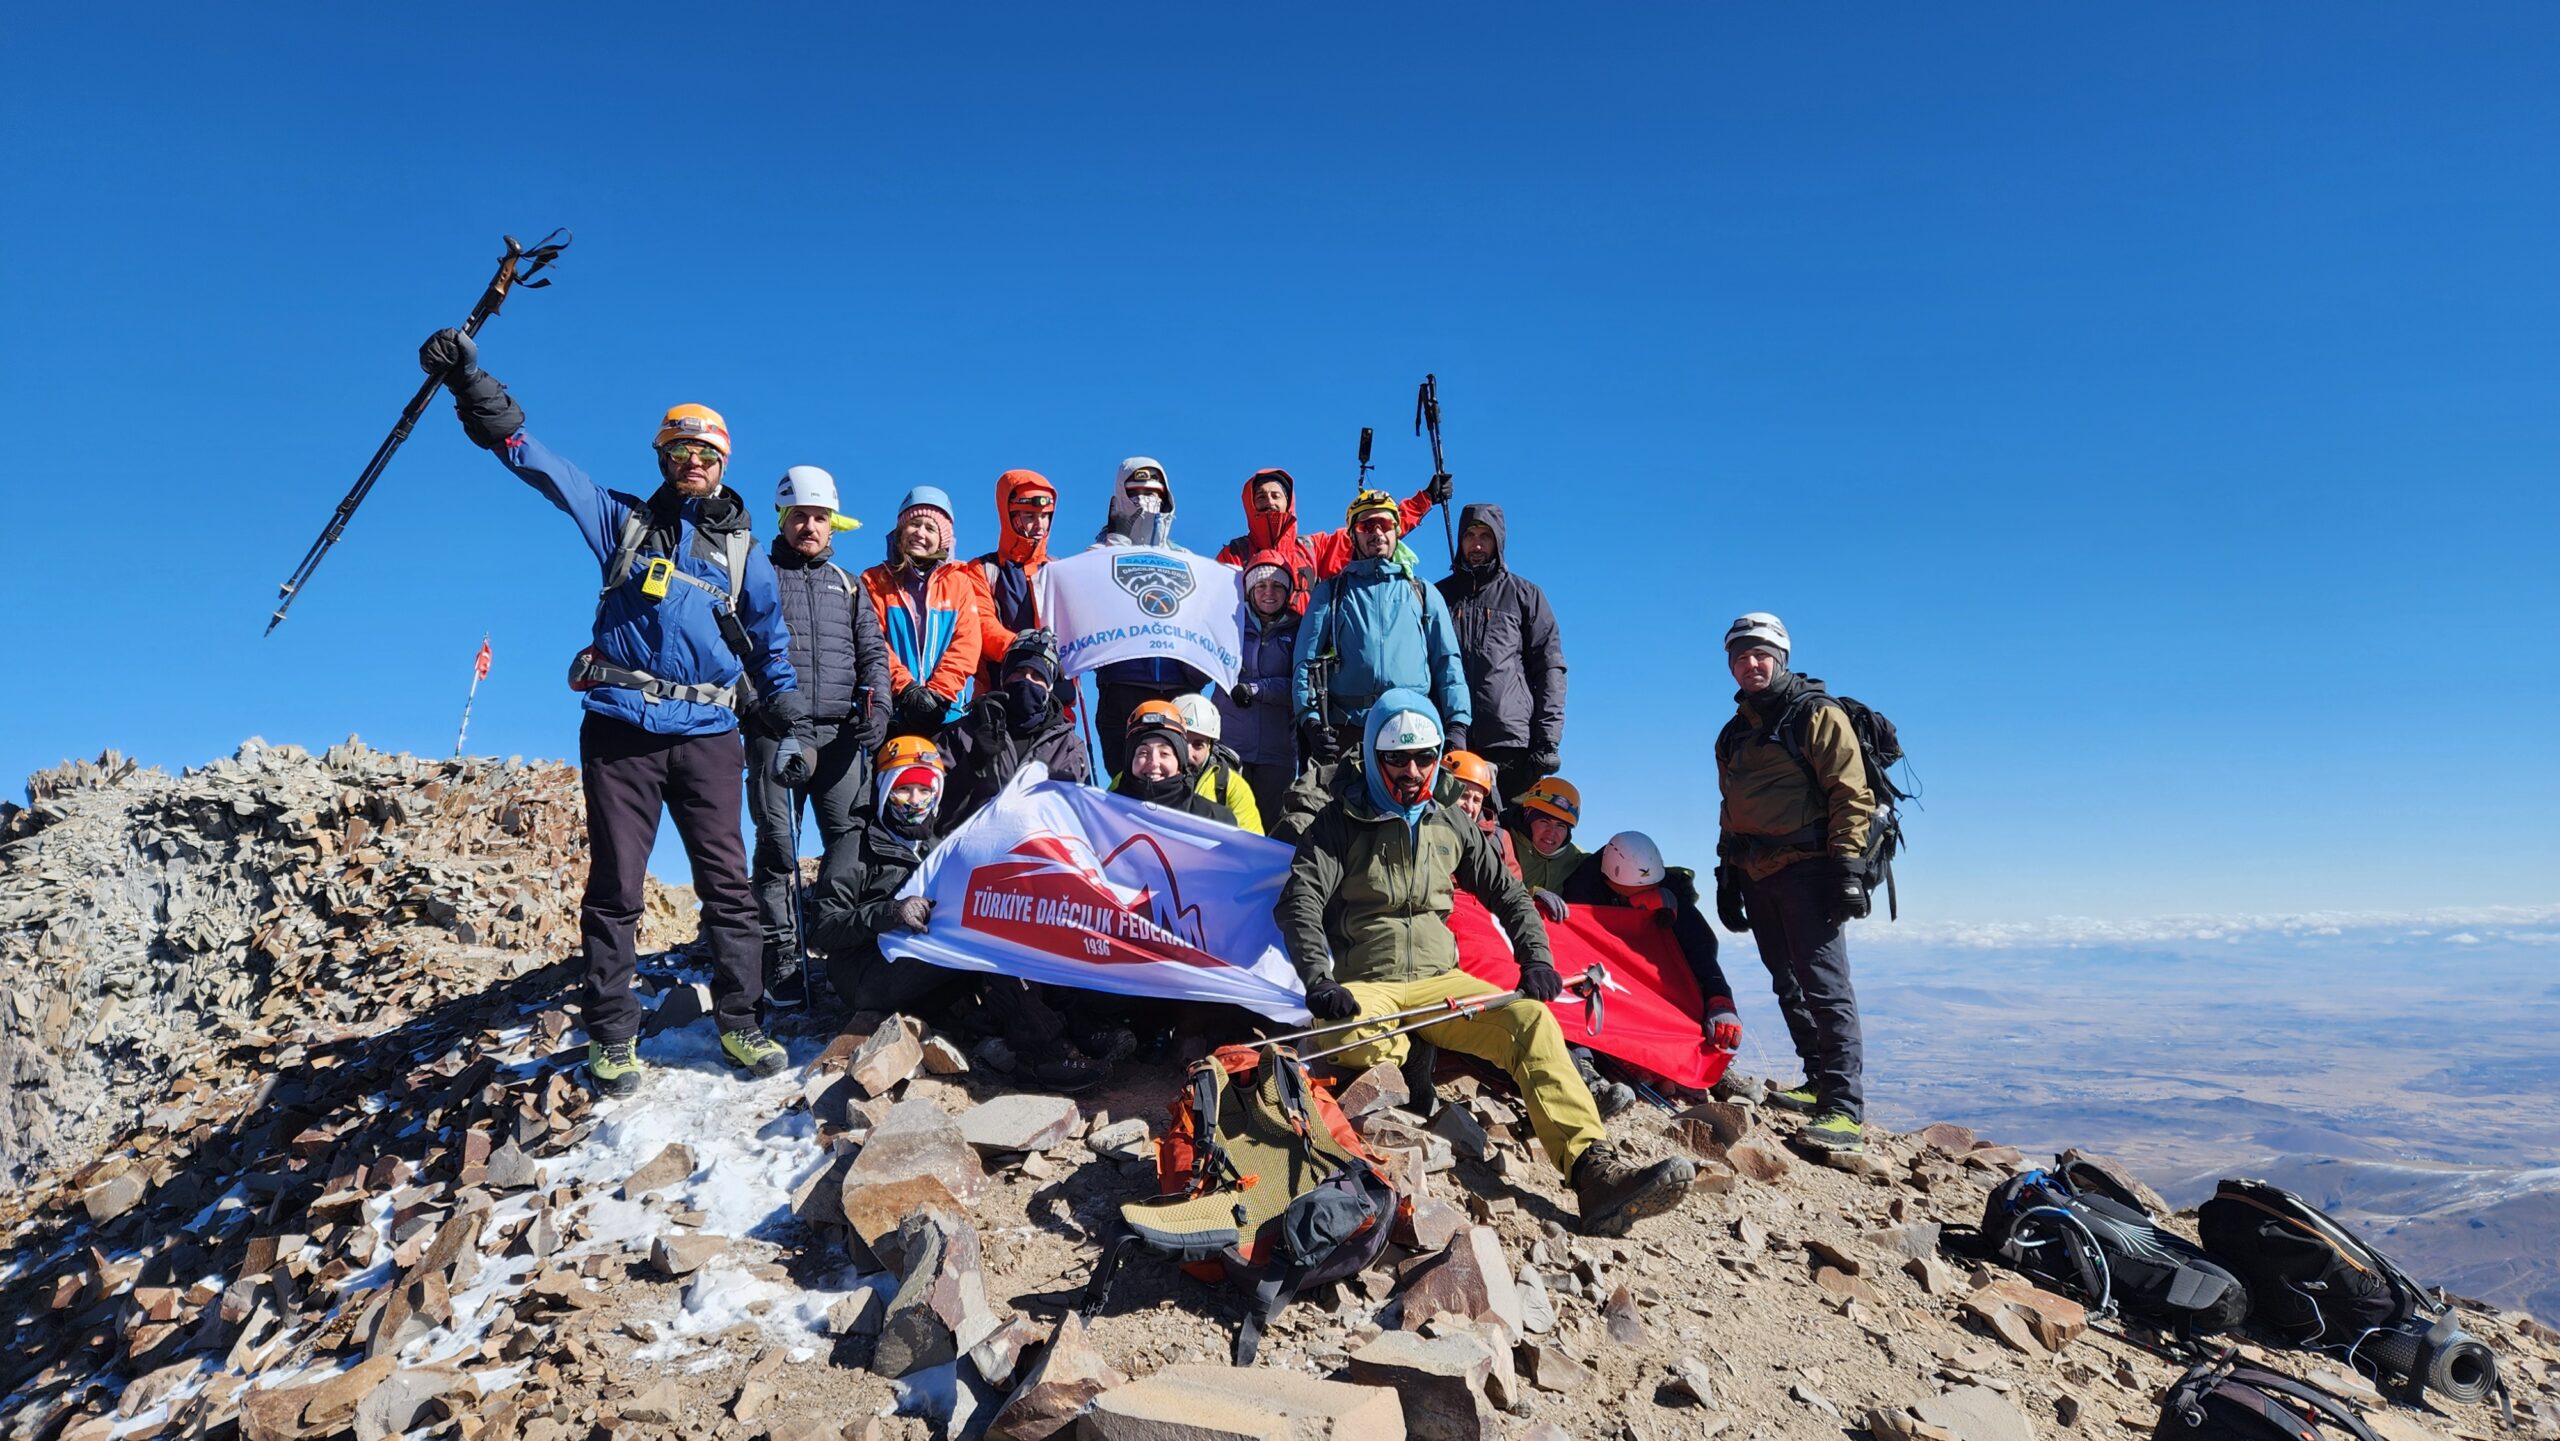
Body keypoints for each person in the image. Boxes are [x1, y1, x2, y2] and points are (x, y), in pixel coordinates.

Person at [417, 329, 797, 1095]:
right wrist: (471, 385)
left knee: (726, 883)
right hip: (623, 729)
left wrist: (784, 705)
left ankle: (743, 1024)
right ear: (662, 457)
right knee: (619, 882)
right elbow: (534, 459)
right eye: (681, 451)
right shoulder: (620, 519)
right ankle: (613, 1036)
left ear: (725, 464)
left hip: (712, 735)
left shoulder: (746, 553)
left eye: (708, 454)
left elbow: (770, 638)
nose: (694, 463)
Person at [1274, 689, 1694, 1237]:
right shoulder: (1339, 822)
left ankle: (1595, 1174)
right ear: (1375, 758)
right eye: (1396, 758)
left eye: (1424, 756)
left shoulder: (1450, 822)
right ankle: (1413, 1053)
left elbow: (1511, 894)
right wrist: (1319, 978)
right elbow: (1300, 898)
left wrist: (1535, 957)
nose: (1412, 770)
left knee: (1531, 1022)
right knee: (1347, 1027)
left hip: (1440, 981)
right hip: (1366, 983)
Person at [807, 737, 1108, 1092]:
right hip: (867, 973)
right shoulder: (854, 846)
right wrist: (890, 912)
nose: (915, 801)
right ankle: (1041, 1054)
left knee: (1009, 924)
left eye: (924, 790)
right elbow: (823, 929)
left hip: (920, 960)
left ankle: (1076, 1026)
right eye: (904, 790)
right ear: (885, 790)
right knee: (984, 942)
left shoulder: (938, 845)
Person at [1713, 612, 1878, 1153]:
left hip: (1810, 869)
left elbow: (1851, 794)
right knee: (1787, 981)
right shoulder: (1733, 733)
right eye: (1740, 656)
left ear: (1780, 658)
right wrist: (1727, 875)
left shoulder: (1816, 715)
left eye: (1760, 654)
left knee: (1825, 986)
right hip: (1758, 873)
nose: (1750, 664)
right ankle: (1816, 1082)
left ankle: (1844, 1109)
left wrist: (1847, 869)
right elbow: (1729, 808)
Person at [748, 466, 892, 1010]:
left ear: (833, 524)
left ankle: (843, 947)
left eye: (819, 517)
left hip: (839, 737)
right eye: (799, 516)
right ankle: (781, 954)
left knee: (849, 841)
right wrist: (759, 706)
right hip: (775, 732)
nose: (809, 526)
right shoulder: (757, 576)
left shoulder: (849, 586)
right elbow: (735, 650)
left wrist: (878, 710)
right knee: (777, 847)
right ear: (783, 519)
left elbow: (873, 656)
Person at [1554, 831, 1746, 1109]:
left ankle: (1712, 1070)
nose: (1644, 894)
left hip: (1649, 972)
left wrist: (1719, 997)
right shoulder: (1584, 886)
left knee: (1682, 997)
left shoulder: (1666, 886)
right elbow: (1577, 944)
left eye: (1648, 889)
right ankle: (1604, 1067)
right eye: (1633, 892)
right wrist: (1624, 912)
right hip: (1605, 975)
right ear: (1611, 881)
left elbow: (1700, 943)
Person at [1292, 489, 1472, 764]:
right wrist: (1311, 721)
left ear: (1396, 531)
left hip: (1412, 728)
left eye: (1385, 524)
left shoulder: (1423, 593)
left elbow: (1447, 661)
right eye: (1366, 525)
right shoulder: (1330, 592)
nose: (1377, 532)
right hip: (1348, 730)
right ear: (1353, 535)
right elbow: (1306, 661)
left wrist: (1457, 724)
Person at [1089, 458, 1212, 776]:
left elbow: (1204, 620)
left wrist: (1198, 671)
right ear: (1120, 496)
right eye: (1137, 492)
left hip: (1177, 687)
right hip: (1121, 684)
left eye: (1155, 493)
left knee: (1176, 784)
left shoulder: (1185, 560)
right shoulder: (1097, 557)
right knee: (1126, 780)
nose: (1146, 501)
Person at [1436, 503, 1566, 800]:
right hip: (1452, 742)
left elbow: (1550, 670)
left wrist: (1547, 740)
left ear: (1499, 541)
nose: (1477, 544)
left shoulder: (1525, 595)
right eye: (1469, 535)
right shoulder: (1439, 596)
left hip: (1511, 747)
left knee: (1507, 839)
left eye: (1486, 535)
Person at [1213, 466, 1451, 607]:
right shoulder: (1234, 554)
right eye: (1261, 497)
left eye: (1276, 495)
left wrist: (1426, 498)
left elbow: (1373, 529)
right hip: (1248, 662)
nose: (1269, 502)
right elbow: (1211, 601)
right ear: (1250, 503)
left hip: (1301, 658)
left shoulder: (1312, 549)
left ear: (1288, 502)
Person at [861, 487, 984, 739]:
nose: (920, 533)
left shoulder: (959, 583)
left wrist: (938, 693)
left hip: (946, 714)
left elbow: (966, 644)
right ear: (900, 531)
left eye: (930, 528)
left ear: (943, 539)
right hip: (892, 712)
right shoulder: (875, 580)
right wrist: (906, 690)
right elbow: (872, 642)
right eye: (914, 524)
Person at [941, 628, 1090, 828]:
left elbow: (1080, 821)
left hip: (1037, 853)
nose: (1027, 680)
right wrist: (971, 765)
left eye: (1037, 675)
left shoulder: (1069, 747)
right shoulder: (964, 732)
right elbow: (934, 814)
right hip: (973, 852)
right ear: (1004, 678)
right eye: (1020, 672)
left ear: (1049, 687)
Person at [1215, 549, 1302, 818]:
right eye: (1261, 585)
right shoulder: (1228, 626)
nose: (1269, 592)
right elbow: (1201, 666)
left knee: (1271, 832)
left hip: (1277, 754)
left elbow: (1300, 684)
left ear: (1288, 592)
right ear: (1249, 589)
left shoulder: (1299, 629)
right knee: (1225, 828)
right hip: (1229, 747)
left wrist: (1257, 689)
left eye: (1277, 585)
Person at [968, 469, 1057, 688]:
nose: (1039, 525)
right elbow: (980, 622)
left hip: (1055, 700)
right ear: (1010, 517)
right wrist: (1024, 649)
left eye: (1045, 516)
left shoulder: (1059, 569)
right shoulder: (982, 569)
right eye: (1029, 516)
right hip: (997, 695)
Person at [1110, 701, 1236, 825]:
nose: (1154, 763)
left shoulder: (1216, 820)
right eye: (1143, 753)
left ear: (1180, 761)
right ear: (1130, 759)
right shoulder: (1104, 811)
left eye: (1164, 753)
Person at [1170, 693, 1264, 835]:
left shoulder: (1232, 786)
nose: (1187, 753)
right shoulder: (1137, 775)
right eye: (1180, 741)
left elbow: (1251, 845)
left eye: (1198, 745)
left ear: (1210, 746)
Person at [1444, 751, 1522, 880]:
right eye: (1463, 796)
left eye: (1476, 800)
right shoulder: (1421, 828)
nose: (1469, 807)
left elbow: (1514, 887)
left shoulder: (1499, 838)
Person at [1507, 776, 1588, 897]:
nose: (1551, 833)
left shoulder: (1578, 860)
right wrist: (1531, 894)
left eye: (1561, 826)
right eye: (1544, 821)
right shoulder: (1503, 844)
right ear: (1527, 818)